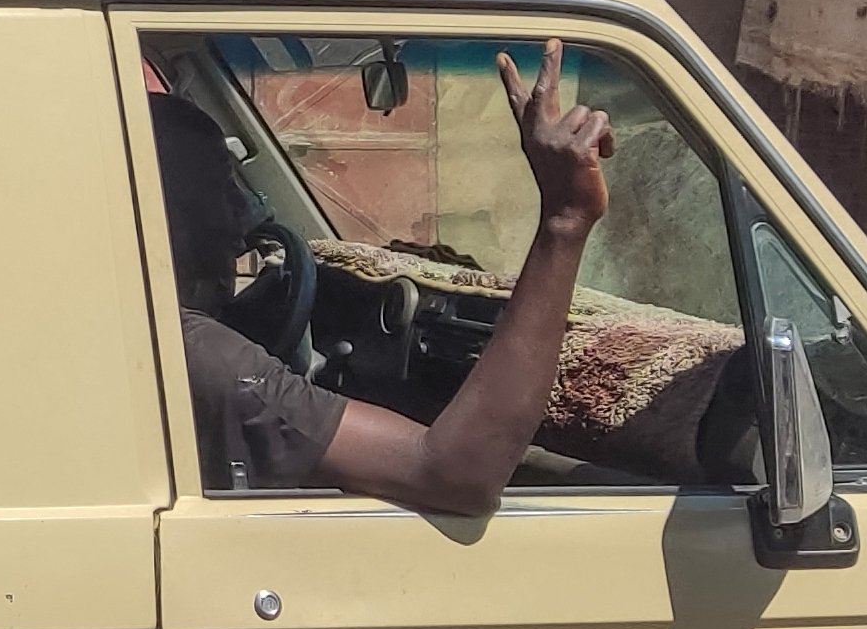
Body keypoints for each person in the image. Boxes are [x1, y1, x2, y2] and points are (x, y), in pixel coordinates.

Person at [150, 50, 614, 513]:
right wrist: (565, 219)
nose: (243, 215)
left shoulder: (143, 332)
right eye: (221, 188)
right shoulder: (194, 356)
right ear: (162, 210)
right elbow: (455, 475)